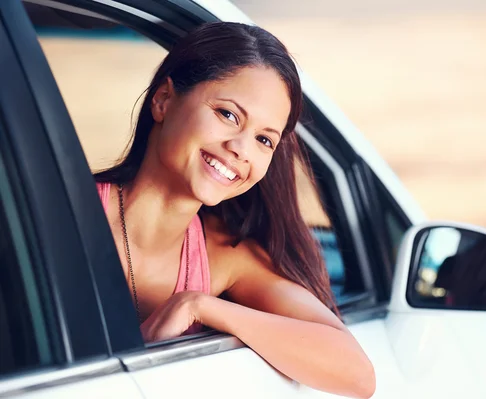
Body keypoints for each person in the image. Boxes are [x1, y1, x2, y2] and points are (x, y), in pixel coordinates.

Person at [94, 22, 375, 398]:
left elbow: (356, 374)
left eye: (264, 139)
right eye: (228, 115)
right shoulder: (62, 212)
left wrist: (198, 305)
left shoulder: (224, 257)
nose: (241, 149)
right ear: (163, 100)